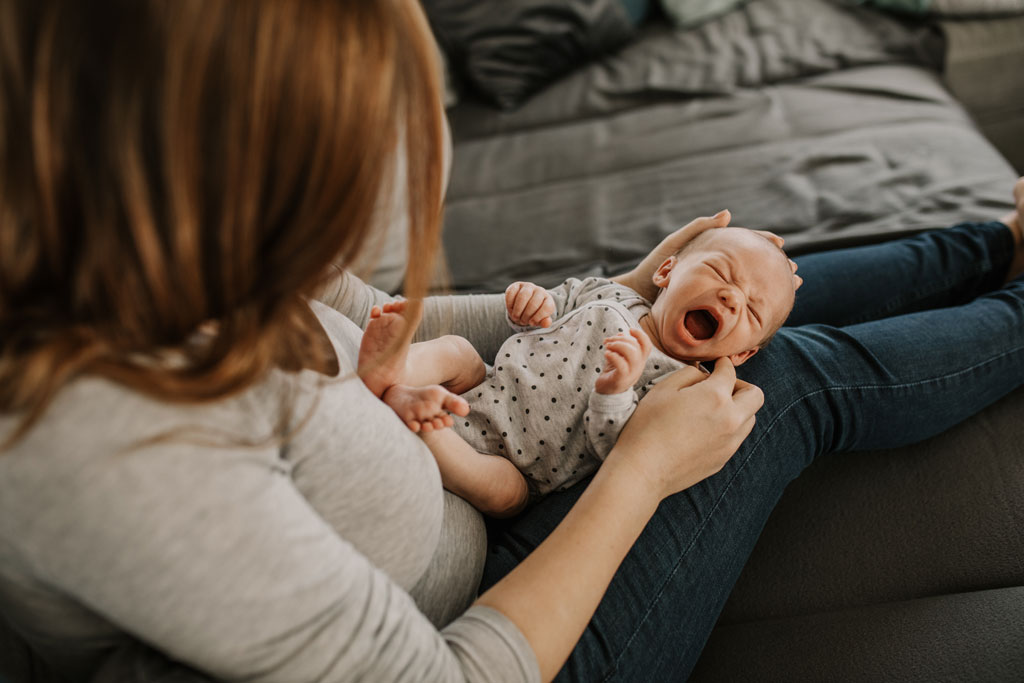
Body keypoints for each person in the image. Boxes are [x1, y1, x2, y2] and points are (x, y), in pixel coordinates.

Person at [1, 2, 1023, 683]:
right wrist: (638, 471)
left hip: (474, 482)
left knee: (739, 283)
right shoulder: (103, 442)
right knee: (778, 371)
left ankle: (1000, 243)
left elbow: (390, 316)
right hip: (501, 625)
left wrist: (620, 295)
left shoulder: (185, 238)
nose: (361, 199)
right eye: (342, 159)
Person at [358, 227, 802, 517]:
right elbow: (549, 313)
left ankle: (429, 431)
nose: (731, 298)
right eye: (721, 271)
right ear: (667, 270)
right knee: (458, 350)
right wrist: (529, 305)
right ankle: (398, 368)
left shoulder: (682, 387)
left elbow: (623, 452)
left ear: (743, 355)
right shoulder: (607, 294)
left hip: (519, 465)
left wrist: (614, 392)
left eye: (752, 309)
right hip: (486, 384)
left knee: (504, 495)